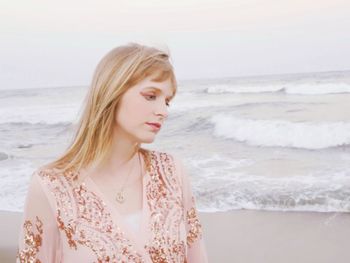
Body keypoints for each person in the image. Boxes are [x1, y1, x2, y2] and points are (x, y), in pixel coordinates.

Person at [16, 43, 208, 262]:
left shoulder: (171, 172)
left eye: (167, 101)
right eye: (151, 96)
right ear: (112, 92)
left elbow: (196, 256)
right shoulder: (51, 186)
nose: (163, 111)